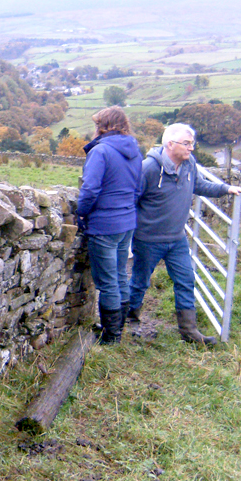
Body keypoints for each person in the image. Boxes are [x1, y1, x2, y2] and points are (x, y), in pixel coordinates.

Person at [127, 123, 241, 345]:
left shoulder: (189, 163)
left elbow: (199, 185)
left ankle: (189, 332)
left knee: (186, 280)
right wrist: (129, 234)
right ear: (170, 144)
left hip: (177, 238)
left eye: (193, 143)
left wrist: (225, 189)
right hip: (148, 239)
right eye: (187, 143)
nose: (191, 148)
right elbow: (131, 200)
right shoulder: (148, 169)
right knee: (140, 281)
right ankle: (129, 319)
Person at [77, 107, 142, 344]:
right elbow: (138, 189)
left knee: (107, 282)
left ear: (102, 126)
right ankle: (119, 328)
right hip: (127, 222)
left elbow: (90, 189)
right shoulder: (134, 151)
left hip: (104, 225)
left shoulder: (101, 151)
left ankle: (111, 336)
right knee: (119, 276)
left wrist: (81, 213)